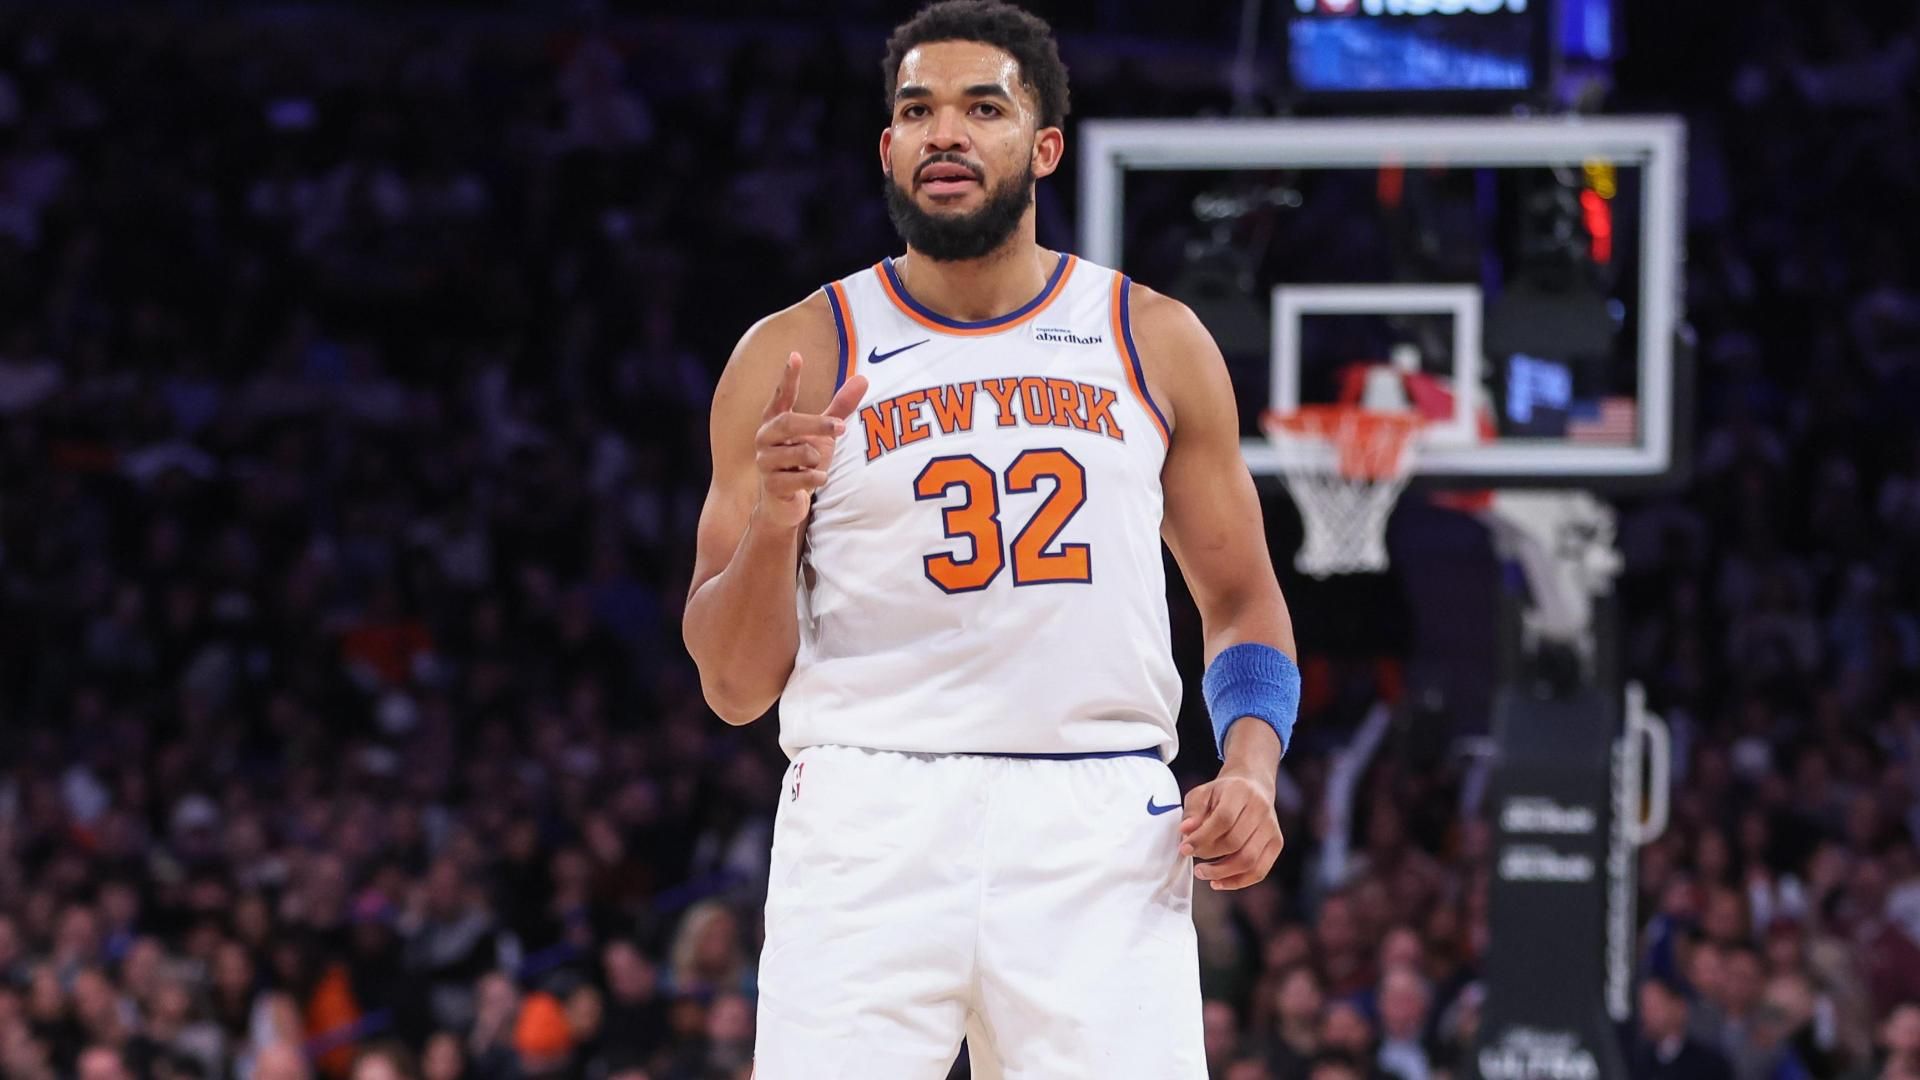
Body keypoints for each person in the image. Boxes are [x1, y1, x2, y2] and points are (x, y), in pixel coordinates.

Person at [682, 1, 1297, 1075]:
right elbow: (733, 689)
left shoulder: (1151, 340)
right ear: (887, 147)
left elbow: (1241, 598)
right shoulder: (796, 355)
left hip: (1099, 824)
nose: (946, 134)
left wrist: (1250, 768)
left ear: (1044, 146)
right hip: (868, 818)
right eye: (918, 111)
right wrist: (776, 525)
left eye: (983, 108)